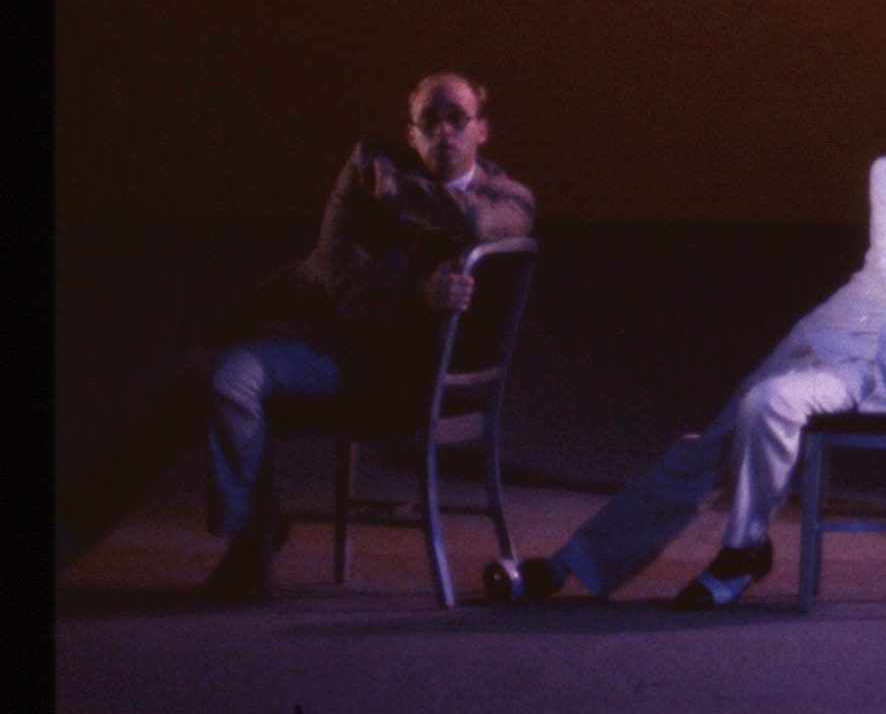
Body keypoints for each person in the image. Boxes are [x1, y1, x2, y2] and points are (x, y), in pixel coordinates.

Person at [482, 64, 886, 609]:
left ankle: (738, 549)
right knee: (711, 447)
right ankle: (572, 564)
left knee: (765, 406)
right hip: (832, 339)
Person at [55, 71, 538, 600]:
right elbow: (333, 267)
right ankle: (110, 532)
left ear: (482, 130)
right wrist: (413, 292)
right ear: (411, 133)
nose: (443, 131)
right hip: (322, 343)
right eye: (430, 120)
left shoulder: (503, 197)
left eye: (457, 119)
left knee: (212, 383)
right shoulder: (367, 170)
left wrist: (399, 199)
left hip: (401, 381)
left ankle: (247, 543)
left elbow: (479, 223)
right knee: (207, 381)